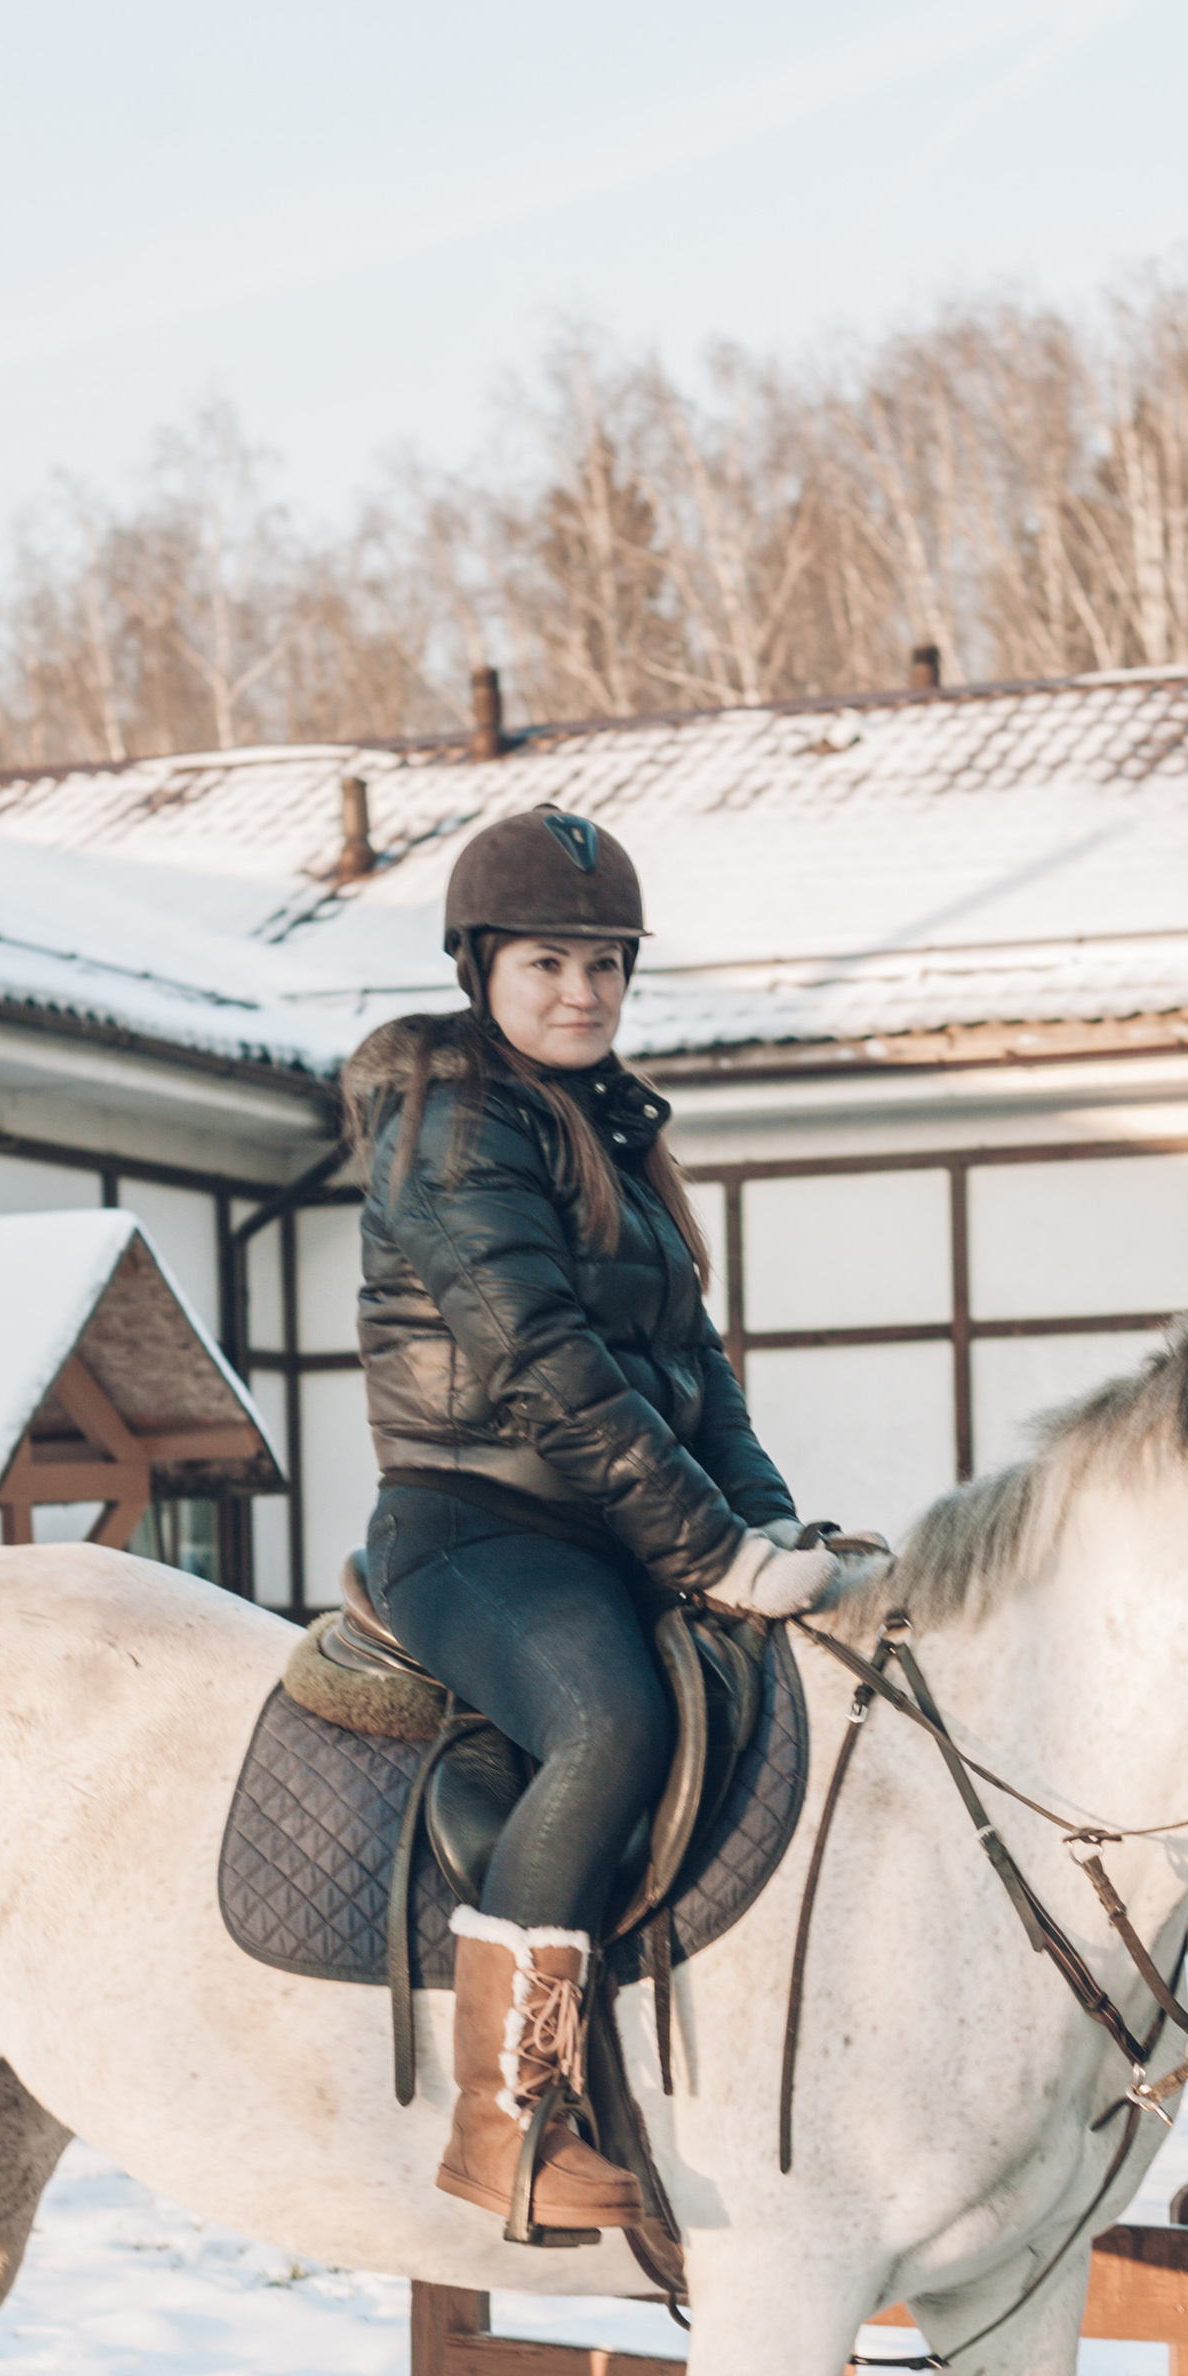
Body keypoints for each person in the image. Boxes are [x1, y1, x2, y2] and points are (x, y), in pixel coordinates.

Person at [343, 807, 853, 2239]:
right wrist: (709, 1555)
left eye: (606, 966)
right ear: (480, 970)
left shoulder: (608, 1134)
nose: (581, 991)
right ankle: (503, 2120)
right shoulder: (449, 1133)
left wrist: (771, 1530)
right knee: (611, 1722)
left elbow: (699, 1377)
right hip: (475, 1525)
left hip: (614, 1524)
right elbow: (544, 1364)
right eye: (549, 963)